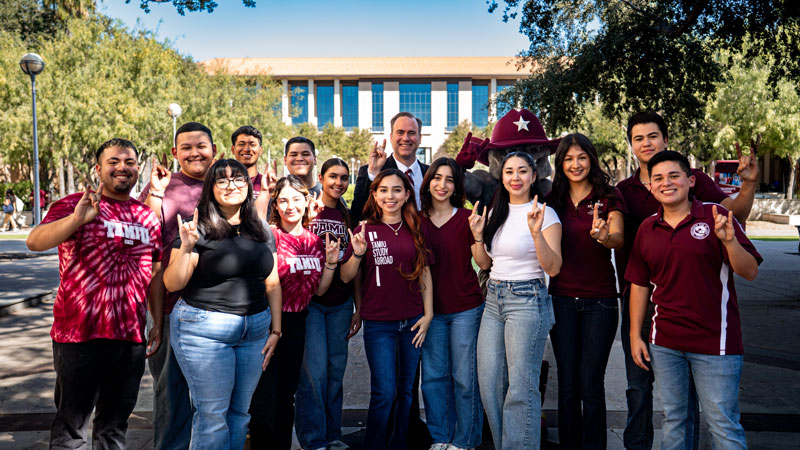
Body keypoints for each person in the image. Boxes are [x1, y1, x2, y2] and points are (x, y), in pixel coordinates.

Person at [616, 111, 759, 450]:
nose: (666, 183)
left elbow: (749, 267)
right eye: (658, 178)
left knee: (721, 422)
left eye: (674, 176)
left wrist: (730, 237)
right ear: (649, 185)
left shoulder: (715, 215)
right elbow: (639, 283)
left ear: (691, 179)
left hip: (715, 340)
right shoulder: (645, 225)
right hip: (663, 336)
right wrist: (636, 334)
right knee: (673, 417)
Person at [26, 138, 162, 449]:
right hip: (78, 335)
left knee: (114, 427)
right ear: (98, 168)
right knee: (71, 429)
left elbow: (154, 274)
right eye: (113, 162)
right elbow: (34, 242)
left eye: (129, 162)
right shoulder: (74, 203)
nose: (121, 168)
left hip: (129, 338)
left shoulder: (146, 216)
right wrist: (77, 219)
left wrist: (158, 323)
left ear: (137, 169)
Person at [162, 159, 281, 449]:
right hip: (204, 330)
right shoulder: (197, 227)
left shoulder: (262, 229)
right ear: (210, 189)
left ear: (248, 185)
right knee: (213, 416)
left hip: (254, 331)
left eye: (238, 179)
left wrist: (276, 330)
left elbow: (272, 281)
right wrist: (187, 246)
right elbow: (172, 283)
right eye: (223, 180)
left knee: (240, 414)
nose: (232, 186)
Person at [341, 169, 434, 450]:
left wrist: (428, 314)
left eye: (396, 190)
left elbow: (425, 273)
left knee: (406, 391)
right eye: (383, 190)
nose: (390, 196)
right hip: (379, 324)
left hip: (413, 321)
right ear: (375, 194)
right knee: (384, 391)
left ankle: (399, 444)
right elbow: (347, 277)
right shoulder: (364, 229)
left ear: (407, 194)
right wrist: (357, 252)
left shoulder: (417, 227)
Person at [475, 151, 562, 450]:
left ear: (533, 176)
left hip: (527, 299)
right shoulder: (495, 212)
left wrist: (536, 234)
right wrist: (476, 237)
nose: (515, 177)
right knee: (489, 383)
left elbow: (553, 267)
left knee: (521, 388)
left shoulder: (546, 214)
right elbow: (484, 263)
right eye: (509, 171)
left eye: (522, 171)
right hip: (494, 299)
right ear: (502, 176)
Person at [139, 121, 217, 450]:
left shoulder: (226, 185)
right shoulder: (162, 187)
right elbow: (146, 244)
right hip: (172, 309)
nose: (194, 152)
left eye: (201, 146)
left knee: (214, 397)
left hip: (218, 309)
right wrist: (155, 319)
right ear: (175, 153)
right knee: (170, 395)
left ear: (215, 151)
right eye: (186, 147)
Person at [545, 134, 626, 450]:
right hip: (560, 301)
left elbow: (617, 237)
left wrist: (604, 237)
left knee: (591, 385)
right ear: (560, 164)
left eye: (581, 157)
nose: (575, 164)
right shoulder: (553, 200)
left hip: (600, 303)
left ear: (591, 159)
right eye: (568, 158)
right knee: (567, 384)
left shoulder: (609, 196)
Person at [249, 175, 339, 450]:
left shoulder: (314, 241)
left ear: (306, 202)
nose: (290, 206)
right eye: (284, 200)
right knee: (265, 395)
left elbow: (320, 291)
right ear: (276, 204)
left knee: (288, 394)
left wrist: (332, 262)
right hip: (269, 324)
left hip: (298, 324)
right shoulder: (269, 236)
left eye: (296, 199)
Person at [418, 157, 491, 450]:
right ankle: (441, 438)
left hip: (465, 309)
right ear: (429, 182)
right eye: (437, 178)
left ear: (456, 186)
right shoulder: (416, 218)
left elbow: (484, 262)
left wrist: (478, 235)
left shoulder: (466, 217)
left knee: (465, 379)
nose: (443, 185)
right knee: (434, 378)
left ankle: (466, 441)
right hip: (429, 312)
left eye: (449, 180)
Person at [295, 158, 363, 450]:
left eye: (344, 178)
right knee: (314, 374)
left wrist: (359, 308)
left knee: (336, 371)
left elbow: (357, 268)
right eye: (333, 176)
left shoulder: (349, 217)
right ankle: (313, 439)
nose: (338, 182)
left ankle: (333, 435)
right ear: (320, 177)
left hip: (340, 304)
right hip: (311, 303)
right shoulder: (307, 210)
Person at [351, 112, 430, 221]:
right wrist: (374, 173)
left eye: (411, 133)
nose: (406, 138)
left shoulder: (431, 174)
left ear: (420, 138)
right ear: (391, 137)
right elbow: (358, 214)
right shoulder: (371, 172)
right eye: (400, 132)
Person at [230, 125, 275, 218]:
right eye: (241, 144)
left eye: (252, 144)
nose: (247, 149)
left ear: (260, 150)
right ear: (233, 149)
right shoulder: (224, 184)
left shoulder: (269, 185)